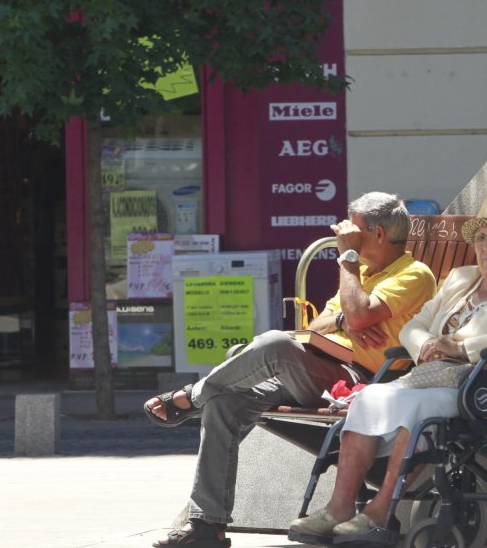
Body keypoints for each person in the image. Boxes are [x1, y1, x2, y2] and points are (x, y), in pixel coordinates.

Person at [146, 192, 436, 548]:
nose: (341, 231)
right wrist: (348, 318)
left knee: (275, 344)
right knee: (225, 404)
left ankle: (192, 397)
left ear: (377, 235)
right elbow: (323, 322)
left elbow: (358, 315)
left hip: (360, 379)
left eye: (352, 227)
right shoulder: (362, 274)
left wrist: (347, 268)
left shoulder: (413, 274)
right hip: (319, 366)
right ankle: (208, 524)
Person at [289, 198, 487, 545]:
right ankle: (339, 508)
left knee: (418, 409)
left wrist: (461, 348)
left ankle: (379, 512)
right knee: (369, 398)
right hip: (437, 376)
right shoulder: (462, 278)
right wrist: (427, 348)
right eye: (481, 238)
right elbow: (414, 327)